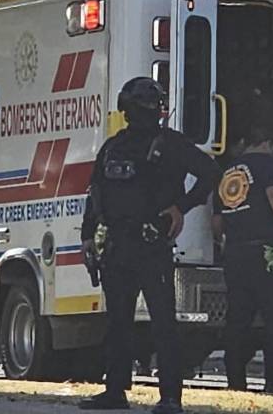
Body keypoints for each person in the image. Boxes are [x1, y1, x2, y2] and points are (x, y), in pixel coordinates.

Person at [79, 77, 217, 414]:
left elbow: (211, 172)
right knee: (119, 323)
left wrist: (180, 208)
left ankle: (170, 397)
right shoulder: (113, 147)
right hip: (117, 246)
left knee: (162, 323)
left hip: (150, 244)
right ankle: (115, 391)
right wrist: (87, 238)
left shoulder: (170, 144)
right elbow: (96, 195)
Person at [212, 126, 273, 393]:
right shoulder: (266, 163)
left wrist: (223, 242)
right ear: (267, 143)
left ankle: (235, 381)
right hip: (265, 251)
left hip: (236, 253)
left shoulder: (227, 171)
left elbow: (217, 219)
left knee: (238, 319)